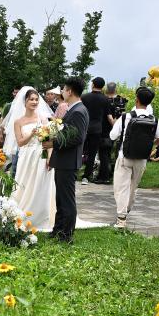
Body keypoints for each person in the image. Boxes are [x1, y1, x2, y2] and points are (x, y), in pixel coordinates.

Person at [110, 87, 159, 228]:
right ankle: (126, 211)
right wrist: (149, 144)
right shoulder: (154, 119)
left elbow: (112, 136)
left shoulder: (126, 116)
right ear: (149, 103)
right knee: (133, 187)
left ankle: (121, 218)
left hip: (125, 156)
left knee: (121, 187)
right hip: (141, 159)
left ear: (136, 99)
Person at [42, 77, 89, 244]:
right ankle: (58, 228)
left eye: (63, 89)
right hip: (63, 160)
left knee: (67, 199)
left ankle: (66, 234)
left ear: (70, 91)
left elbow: (77, 138)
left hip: (68, 161)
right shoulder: (73, 109)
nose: (61, 92)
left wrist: (52, 142)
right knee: (60, 198)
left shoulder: (78, 111)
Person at [7, 87, 56, 232]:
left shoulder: (42, 118)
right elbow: (20, 142)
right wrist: (31, 134)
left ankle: (42, 216)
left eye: (36, 99)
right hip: (26, 157)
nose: (34, 102)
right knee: (25, 185)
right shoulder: (18, 121)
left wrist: (50, 157)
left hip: (41, 155)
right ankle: (23, 213)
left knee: (42, 185)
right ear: (25, 102)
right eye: (31, 99)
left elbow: (49, 139)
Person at [80, 77, 109, 184]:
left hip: (84, 127)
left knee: (79, 151)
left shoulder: (84, 97)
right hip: (97, 129)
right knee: (92, 154)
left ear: (92, 85)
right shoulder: (105, 99)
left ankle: (73, 173)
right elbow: (108, 116)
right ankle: (86, 177)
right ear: (103, 86)